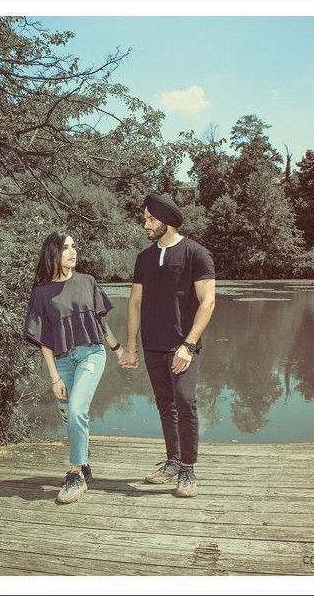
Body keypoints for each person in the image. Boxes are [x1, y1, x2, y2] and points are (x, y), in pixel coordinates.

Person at [120, 193, 216, 498]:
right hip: (153, 346)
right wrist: (132, 347)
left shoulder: (196, 254)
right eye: (145, 219)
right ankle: (173, 461)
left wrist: (188, 345)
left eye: (151, 219)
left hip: (183, 346)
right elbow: (135, 303)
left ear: (168, 221)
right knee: (165, 405)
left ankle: (188, 469)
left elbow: (208, 302)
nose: (145, 225)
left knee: (185, 401)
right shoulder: (144, 258)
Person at [23, 231, 125, 504]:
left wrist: (118, 350)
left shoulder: (87, 281)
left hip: (91, 354)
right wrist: (54, 378)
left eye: (74, 246)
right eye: (66, 247)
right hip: (62, 361)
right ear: (53, 254)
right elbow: (44, 340)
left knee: (77, 410)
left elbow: (100, 323)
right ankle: (86, 465)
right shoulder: (42, 292)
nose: (73, 251)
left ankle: (75, 474)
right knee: (70, 415)